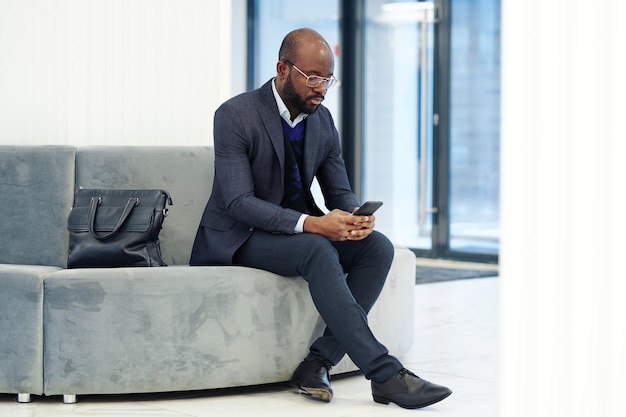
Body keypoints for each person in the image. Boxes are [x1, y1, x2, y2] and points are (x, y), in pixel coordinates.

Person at [190, 28, 451, 409]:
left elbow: (338, 191)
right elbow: (238, 202)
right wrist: (312, 224)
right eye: (313, 77)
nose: (321, 88)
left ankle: (317, 363)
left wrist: (354, 217)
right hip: (239, 235)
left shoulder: (322, 120)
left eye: (328, 79)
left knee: (376, 248)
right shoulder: (235, 115)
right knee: (316, 249)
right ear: (282, 69)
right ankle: (384, 373)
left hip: (293, 232)